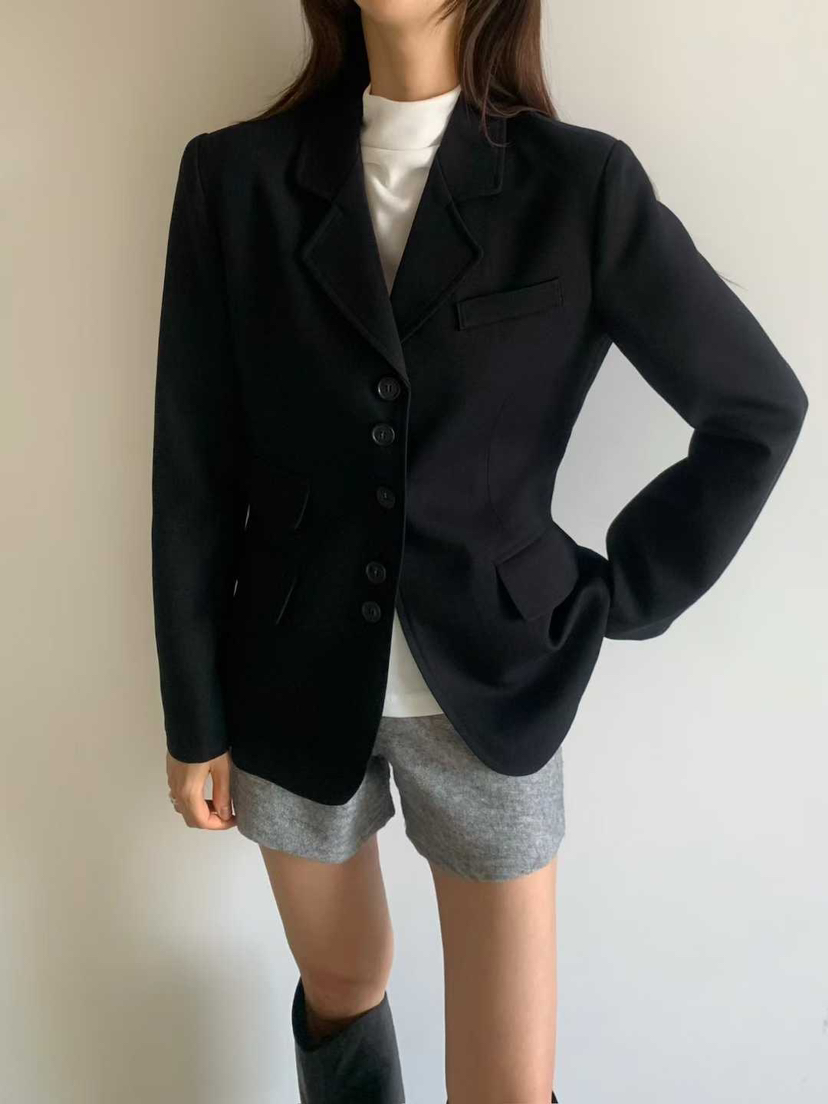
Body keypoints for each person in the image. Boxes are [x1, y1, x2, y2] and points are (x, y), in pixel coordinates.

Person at [152, 2, 809, 1102]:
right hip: (285, 683)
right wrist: (193, 715)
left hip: (497, 690)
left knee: (505, 1085)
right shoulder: (235, 180)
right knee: (341, 983)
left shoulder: (579, 186)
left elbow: (757, 411)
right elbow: (194, 465)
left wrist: (614, 595)